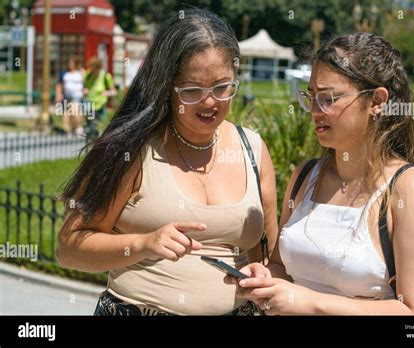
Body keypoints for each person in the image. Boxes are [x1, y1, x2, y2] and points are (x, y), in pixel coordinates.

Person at [57, 9, 278, 316]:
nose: (210, 102)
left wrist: (261, 277)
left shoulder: (252, 148)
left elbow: (267, 258)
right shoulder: (133, 150)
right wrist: (143, 244)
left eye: (222, 87)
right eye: (192, 90)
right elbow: (69, 249)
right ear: (167, 86)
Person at [228, 33, 414, 315]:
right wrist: (265, 278)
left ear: (377, 101)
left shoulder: (411, 190)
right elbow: (281, 268)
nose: (313, 110)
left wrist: (308, 303)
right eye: (310, 96)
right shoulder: (304, 177)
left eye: (327, 98)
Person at [83, 56, 117, 140]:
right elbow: (84, 87)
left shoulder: (105, 76)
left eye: (93, 67)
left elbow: (114, 91)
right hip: (89, 105)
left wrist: (107, 93)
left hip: (100, 105)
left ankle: (95, 142)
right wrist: (85, 90)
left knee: (95, 126)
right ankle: (91, 143)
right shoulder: (88, 74)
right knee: (90, 127)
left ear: (98, 67)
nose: (91, 69)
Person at [55, 56, 84, 136]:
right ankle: (70, 129)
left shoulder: (80, 73)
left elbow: (85, 83)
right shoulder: (64, 73)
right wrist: (58, 94)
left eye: (71, 63)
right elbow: (59, 85)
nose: (70, 65)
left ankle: (77, 127)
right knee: (66, 114)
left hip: (77, 96)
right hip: (67, 96)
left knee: (74, 112)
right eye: (69, 63)